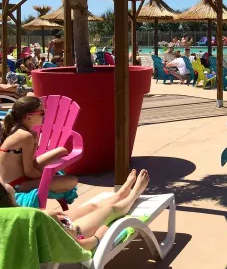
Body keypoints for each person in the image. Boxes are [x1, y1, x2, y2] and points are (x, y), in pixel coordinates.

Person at [0, 168, 150, 251]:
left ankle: (121, 193)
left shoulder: (11, 219)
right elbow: (75, 247)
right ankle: (133, 194)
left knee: (91, 206)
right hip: (71, 233)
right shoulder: (31, 217)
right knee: (111, 210)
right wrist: (96, 238)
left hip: (54, 227)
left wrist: (52, 218)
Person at [0, 96, 78, 195]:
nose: (44, 115)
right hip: (16, 185)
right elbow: (29, 171)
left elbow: (30, 163)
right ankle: (47, 190)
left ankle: (52, 185)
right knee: (72, 180)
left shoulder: (19, 131)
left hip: (20, 177)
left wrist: (35, 143)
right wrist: (48, 176)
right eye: (42, 113)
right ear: (28, 117)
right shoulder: (25, 136)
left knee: (62, 150)